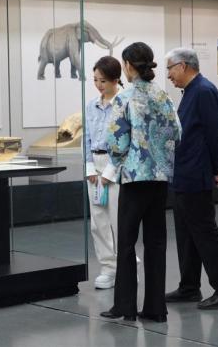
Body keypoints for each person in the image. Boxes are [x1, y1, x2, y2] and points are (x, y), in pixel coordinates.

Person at [100, 42, 181, 322]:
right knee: (156, 243)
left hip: (134, 179)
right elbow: (177, 133)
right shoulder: (163, 95)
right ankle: (155, 308)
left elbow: (116, 141)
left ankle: (124, 306)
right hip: (160, 180)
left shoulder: (124, 98)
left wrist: (121, 161)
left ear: (128, 65)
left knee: (126, 243)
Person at [164, 47, 218, 310]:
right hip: (184, 174)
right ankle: (189, 287)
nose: (168, 75)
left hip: (196, 175)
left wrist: (216, 168)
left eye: (170, 69)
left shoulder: (204, 91)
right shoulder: (190, 92)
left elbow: (213, 135)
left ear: (183, 66)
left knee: (205, 234)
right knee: (186, 234)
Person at [84, 56, 124, 289]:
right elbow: (87, 137)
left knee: (118, 221)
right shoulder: (91, 105)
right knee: (97, 222)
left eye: (103, 81)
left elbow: (125, 140)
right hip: (95, 164)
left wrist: (111, 170)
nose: (99, 85)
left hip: (116, 165)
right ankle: (108, 268)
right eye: (96, 80)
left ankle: (127, 267)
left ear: (115, 80)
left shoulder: (123, 103)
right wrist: (89, 166)